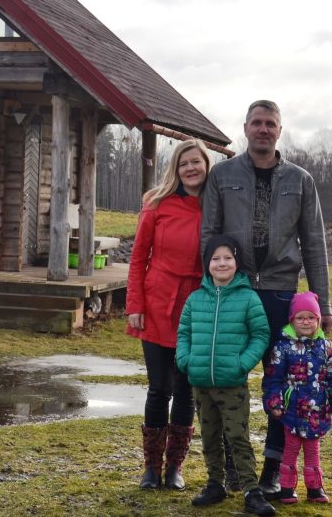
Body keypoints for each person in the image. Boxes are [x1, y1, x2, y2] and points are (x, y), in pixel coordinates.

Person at [201, 99, 332, 495]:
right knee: (228, 380)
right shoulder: (222, 175)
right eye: (256, 122)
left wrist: (323, 305)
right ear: (245, 128)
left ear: (279, 130)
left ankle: (273, 469)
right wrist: (210, 291)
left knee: (283, 382)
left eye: (270, 123)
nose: (263, 129)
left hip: (280, 293)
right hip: (235, 292)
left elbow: (314, 244)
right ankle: (231, 467)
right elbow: (208, 236)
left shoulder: (300, 180)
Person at [125, 138, 210, 489]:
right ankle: (151, 468)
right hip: (158, 301)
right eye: (184, 163)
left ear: (206, 166)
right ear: (175, 168)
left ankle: (175, 467)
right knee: (159, 388)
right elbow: (137, 257)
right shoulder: (156, 203)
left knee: (186, 389)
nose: (190, 168)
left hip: (196, 305)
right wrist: (135, 305)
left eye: (196, 162)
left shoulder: (215, 205)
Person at [176, 235, 275, 516]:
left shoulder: (248, 298)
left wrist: (241, 364)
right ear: (207, 264)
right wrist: (186, 361)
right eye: (215, 259)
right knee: (209, 436)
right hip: (201, 383)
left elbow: (260, 334)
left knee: (237, 437)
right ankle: (215, 484)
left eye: (227, 258)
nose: (222, 263)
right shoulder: (195, 299)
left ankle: (251, 491)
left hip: (232, 385)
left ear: (237, 262)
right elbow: (183, 334)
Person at [262, 291, 332, 504]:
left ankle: (315, 488)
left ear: (318, 320)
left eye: (311, 317)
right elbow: (273, 378)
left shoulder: (326, 347)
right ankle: (286, 488)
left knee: (313, 450)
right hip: (291, 410)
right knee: (290, 449)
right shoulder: (283, 347)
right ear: (292, 320)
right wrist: (274, 403)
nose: (306, 322)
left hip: (317, 411)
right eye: (300, 318)